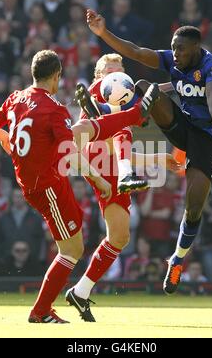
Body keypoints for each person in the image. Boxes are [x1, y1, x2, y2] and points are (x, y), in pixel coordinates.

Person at [0, 49, 158, 323]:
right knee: (72, 251)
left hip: (41, 181)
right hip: (48, 184)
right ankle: (41, 312)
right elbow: (70, 152)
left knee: (77, 245)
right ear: (56, 77)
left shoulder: (15, 97)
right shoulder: (54, 109)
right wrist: (98, 178)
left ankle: (52, 305)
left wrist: (6, 139)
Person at [85, 10, 212, 295]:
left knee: (194, 207)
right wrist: (103, 34)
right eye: (172, 48)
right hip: (181, 126)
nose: (174, 53)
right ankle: (108, 112)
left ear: (196, 48)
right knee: (144, 87)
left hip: (207, 138)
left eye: (180, 49)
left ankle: (177, 260)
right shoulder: (173, 59)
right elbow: (135, 51)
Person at [66, 54, 180, 321]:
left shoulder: (124, 92)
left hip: (112, 162)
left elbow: (123, 149)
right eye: (109, 71)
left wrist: (156, 159)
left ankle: (80, 292)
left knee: (119, 237)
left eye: (120, 70)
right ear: (98, 75)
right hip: (94, 152)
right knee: (122, 124)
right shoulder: (101, 89)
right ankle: (105, 121)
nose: (116, 75)